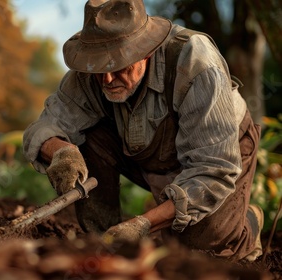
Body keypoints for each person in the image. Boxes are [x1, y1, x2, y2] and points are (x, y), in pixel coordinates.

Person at [23, 0, 263, 261]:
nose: (107, 79)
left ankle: (248, 220)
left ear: (146, 51)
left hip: (217, 153)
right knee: (81, 136)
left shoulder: (196, 63)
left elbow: (213, 170)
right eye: (100, 66)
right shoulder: (91, 72)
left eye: (117, 66)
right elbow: (44, 126)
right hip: (145, 152)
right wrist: (61, 151)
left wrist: (142, 224)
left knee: (200, 249)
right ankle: (103, 242)